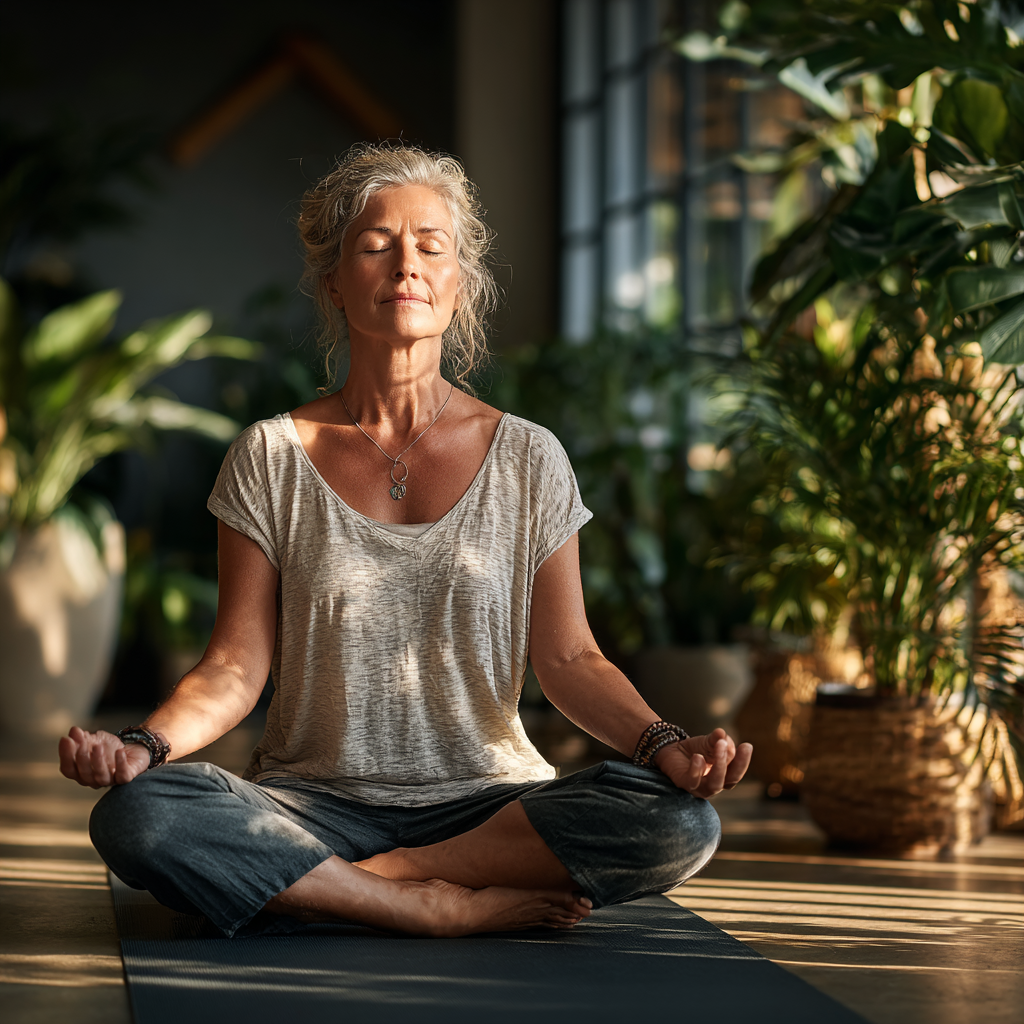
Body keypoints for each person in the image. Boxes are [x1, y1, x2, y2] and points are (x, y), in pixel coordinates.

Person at [58, 143, 752, 939]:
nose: (406, 265)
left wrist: (664, 745)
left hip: (494, 808)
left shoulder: (530, 456)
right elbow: (233, 666)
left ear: (460, 287)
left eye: (432, 246)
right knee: (139, 819)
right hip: (311, 804)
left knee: (683, 824)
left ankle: (348, 889)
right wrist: (145, 747)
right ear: (334, 285)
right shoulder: (270, 455)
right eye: (375, 246)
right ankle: (417, 908)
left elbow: (570, 661)